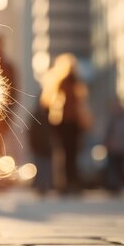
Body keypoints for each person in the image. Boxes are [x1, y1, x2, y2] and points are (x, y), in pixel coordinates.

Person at [40, 53, 92, 194]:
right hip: (62, 124)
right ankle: (64, 184)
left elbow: (81, 104)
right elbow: (48, 102)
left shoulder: (76, 82)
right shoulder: (60, 82)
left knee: (70, 155)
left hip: (72, 124)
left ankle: (71, 183)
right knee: (64, 155)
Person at [104, 99, 124, 194]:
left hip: (123, 148)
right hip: (113, 148)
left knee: (121, 168)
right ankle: (114, 185)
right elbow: (107, 133)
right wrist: (106, 143)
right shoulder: (111, 120)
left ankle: (119, 185)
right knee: (113, 168)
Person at [28, 102, 54, 195]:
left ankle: (45, 186)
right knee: (41, 167)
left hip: (46, 148)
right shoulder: (36, 116)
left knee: (45, 167)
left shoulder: (51, 117)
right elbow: (31, 132)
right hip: (39, 147)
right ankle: (41, 187)